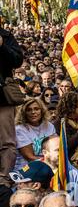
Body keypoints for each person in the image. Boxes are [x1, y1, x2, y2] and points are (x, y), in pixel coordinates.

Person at [0, 24, 24, 188]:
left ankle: (3, 178)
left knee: (7, 141)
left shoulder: (5, 36)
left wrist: (2, 46)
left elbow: (17, 60)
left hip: (2, 98)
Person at [13, 98, 56, 171]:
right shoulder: (19, 129)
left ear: (42, 111)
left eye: (36, 109)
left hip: (48, 166)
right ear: (24, 113)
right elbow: (30, 157)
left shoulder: (49, 126)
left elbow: (54, 148)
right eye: (29, 110)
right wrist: (53, 162)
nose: (33, 112)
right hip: (26, 169)